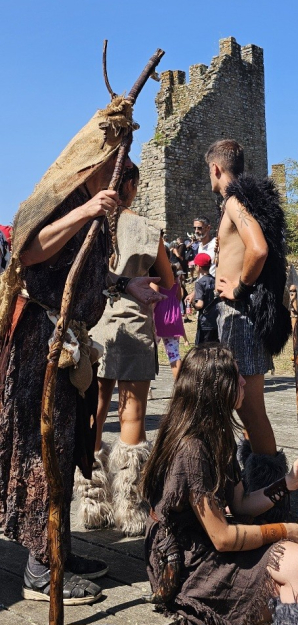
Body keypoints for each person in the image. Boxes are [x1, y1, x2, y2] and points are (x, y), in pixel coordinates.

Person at [0, 97, 165, 605]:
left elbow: (84, 273)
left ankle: (59, 550)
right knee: (40, 448)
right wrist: (87, 211)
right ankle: (38, 567)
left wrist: (122, 286)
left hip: (71, 344)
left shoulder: (100, 211)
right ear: (94, 168)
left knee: (71, 446)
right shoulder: (58, 200)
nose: (118, 186)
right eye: (113, 174)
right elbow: (28, 250)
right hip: (38, 348)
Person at [142, 344, 298, 625]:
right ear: (216, 388)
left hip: (210, 547)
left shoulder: (217, 435)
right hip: (190, 565)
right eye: (236, 376)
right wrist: (285, 531)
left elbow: (241, 503)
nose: (244, 380)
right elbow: (222, 537)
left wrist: (288, 482)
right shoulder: (191, 449)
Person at [74, 163, 173, 537]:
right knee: (132, 416)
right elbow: (167, 279)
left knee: (94, 413)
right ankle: (130, 508)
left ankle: (91, 503)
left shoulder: (89, 225)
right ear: (132, 186)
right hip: (134, 326)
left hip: (96, 325)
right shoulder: (148, 229)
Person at [205, 139, 291, 457]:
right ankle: (257, 486)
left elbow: (258, 249)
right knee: (242, 409)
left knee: (251, 412)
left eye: (208, 171)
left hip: (241, 314)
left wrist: (239, 289)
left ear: (215, 168)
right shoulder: (244, 200)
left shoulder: (234, 203)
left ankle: (269, 491)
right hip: (238, 314)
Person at [154, 264, 188, 380]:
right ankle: (180, 386)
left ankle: (147, 389)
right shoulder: (176, 284)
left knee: (150, 352)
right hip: (174, 318)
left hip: (159, 317)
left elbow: (155, 298)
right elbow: (178, 298)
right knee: (174, 355)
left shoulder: (158, 281)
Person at [193, 252, 218, 344]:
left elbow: (200, 304)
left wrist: (193, 303)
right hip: (216, 321)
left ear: (198, 267)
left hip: (205, 322)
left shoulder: (199, 283)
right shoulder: (215, 280)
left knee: (203, 349)